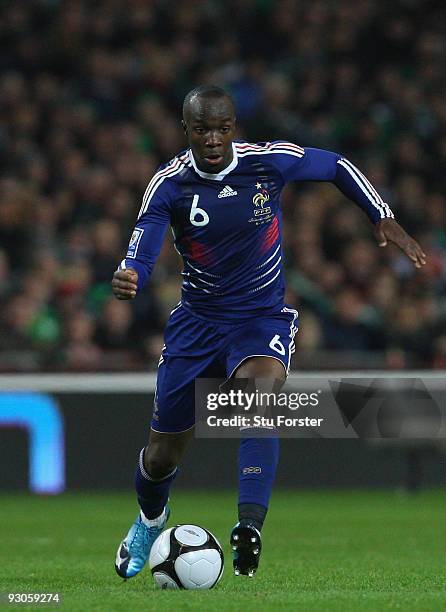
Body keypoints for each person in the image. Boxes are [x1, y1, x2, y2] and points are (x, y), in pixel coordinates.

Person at [112, 85, 426, 579]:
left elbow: (337, 166)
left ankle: (249, 526)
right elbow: (144, 244)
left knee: (256, 400)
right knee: (161, 453)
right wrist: (132, 272)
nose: (213, 139)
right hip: (196, 325)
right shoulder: (169, 184)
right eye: (202, 129)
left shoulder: (268, 162)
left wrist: (382, 215)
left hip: (259, 319)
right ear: (186, 131)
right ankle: (152, 519)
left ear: (233, 128)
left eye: (221, 128)